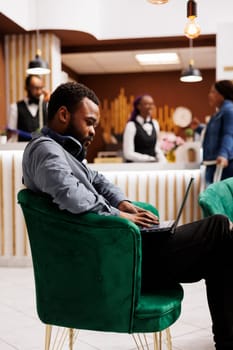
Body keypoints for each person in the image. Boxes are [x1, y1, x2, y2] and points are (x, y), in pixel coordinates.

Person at [22, 82, 233, 350]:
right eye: (89, 122)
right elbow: (71, 196)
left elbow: (97, 180)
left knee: (222, 248)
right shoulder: (45, 150)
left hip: (117, 251)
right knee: (217, 228)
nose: (92, 131)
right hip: (114, 263)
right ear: (64, 115)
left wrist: (124, 203)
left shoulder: (61, 150)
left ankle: (227, 341)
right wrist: (118, 215)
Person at [191, 80, 233, 186]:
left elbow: (229, 134)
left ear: (222, 94)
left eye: (213, 92)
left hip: (223, 166)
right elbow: (214, 133)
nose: (209, 95)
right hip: (213, 165)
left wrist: (223, 154)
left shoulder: (229, 110)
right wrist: (199, 128)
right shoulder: (219, 112)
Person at [122, 94, 166, 162]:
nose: (150, 107)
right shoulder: (131, 125)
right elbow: (128, 153)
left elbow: (156, 148)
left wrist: (163, 161)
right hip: (135, 167)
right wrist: (149, 159)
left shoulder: (155, 123)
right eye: (147, 104)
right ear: (138, 106)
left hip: (152, 167)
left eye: (152, 104)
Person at [7, 75, 50, 142]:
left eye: (41, 88)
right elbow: (11, 135)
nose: (39, 92)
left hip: (42, 149)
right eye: (36, 88)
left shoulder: (47, 106)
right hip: (22, 149)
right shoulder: (15, 107)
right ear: (27, 87)